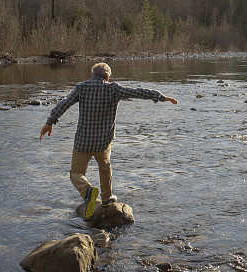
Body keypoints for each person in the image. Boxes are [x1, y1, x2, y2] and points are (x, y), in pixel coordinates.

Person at [40, 62, 177, 217]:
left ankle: (87, 191)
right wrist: (161, 97)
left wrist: (49, 123)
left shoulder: (81, 87)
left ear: (92, 74)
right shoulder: (113, 88)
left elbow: (63, 105)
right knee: (105, 167)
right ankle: (107, 198)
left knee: (76, 173)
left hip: (82, 141)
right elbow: (138, 92)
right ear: (107, 77)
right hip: (103, 142)